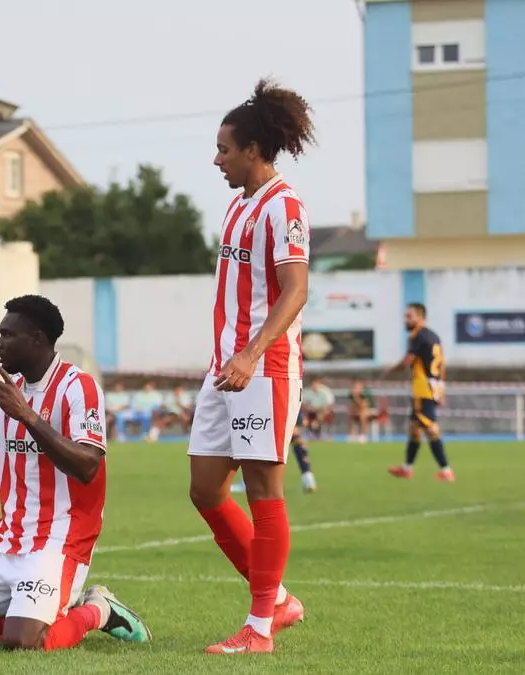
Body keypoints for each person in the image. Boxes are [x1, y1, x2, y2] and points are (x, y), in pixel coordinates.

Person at [0, 294, 151, 651]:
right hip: (6, 539)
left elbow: (87, 465)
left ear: (37, 339)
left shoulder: (79, 387)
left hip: (58, 542)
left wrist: (27, 415)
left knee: (23, 641)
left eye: (7, 335)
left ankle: (98, 610)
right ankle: (27, 611)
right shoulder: (12, 393)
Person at [187, 78, 316, 655]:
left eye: (224, 149)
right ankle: (280, 598)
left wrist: (251, 353)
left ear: (254, 150)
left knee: (264, 491)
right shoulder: (239, 206)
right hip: (225, 369)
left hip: (262, 369)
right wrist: (229, 356)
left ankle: (260, 626)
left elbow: (295, 291)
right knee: (205, 489)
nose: (216, 159)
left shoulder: (284, 206)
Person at [383, 303, 454, 481]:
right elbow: (442, 365)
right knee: (415, 429)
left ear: (420, 317)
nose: (406, 320)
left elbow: (408, 361)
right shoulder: (433, 335)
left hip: (422, 388)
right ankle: (407, 468)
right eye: (405, 316)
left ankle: (446, 470)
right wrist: (441, 389)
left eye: (410, 316)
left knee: (430, 427)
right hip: (433, 386)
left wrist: (389, 371)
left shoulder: (418, 336)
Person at [347, 379, 378, 443]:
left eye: (357, 387)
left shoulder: (365, 394)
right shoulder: (352, 395)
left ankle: (363, 436)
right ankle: (352, 436)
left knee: (363, 416)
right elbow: (352, 406)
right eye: (355, 387)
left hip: (371, 410)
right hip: (358, 411)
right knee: (350, 416)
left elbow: (363, 406)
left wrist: (356, 398)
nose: (355, 389)